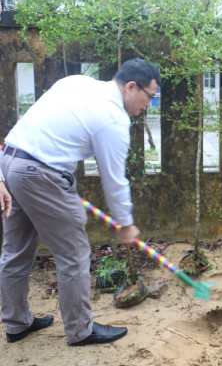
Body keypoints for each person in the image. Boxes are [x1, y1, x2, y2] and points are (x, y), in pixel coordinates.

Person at [0, 58, 161, 346]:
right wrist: (125, 223)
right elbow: (113, 179)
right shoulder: (113, 117)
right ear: (131, 87)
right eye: (149, 95)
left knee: (16, 251)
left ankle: (16, 323)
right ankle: (80, 330)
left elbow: (31, 127)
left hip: (11, 163)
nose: (149, 103)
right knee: (73, 253)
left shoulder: (76, 82)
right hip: (42, 175)